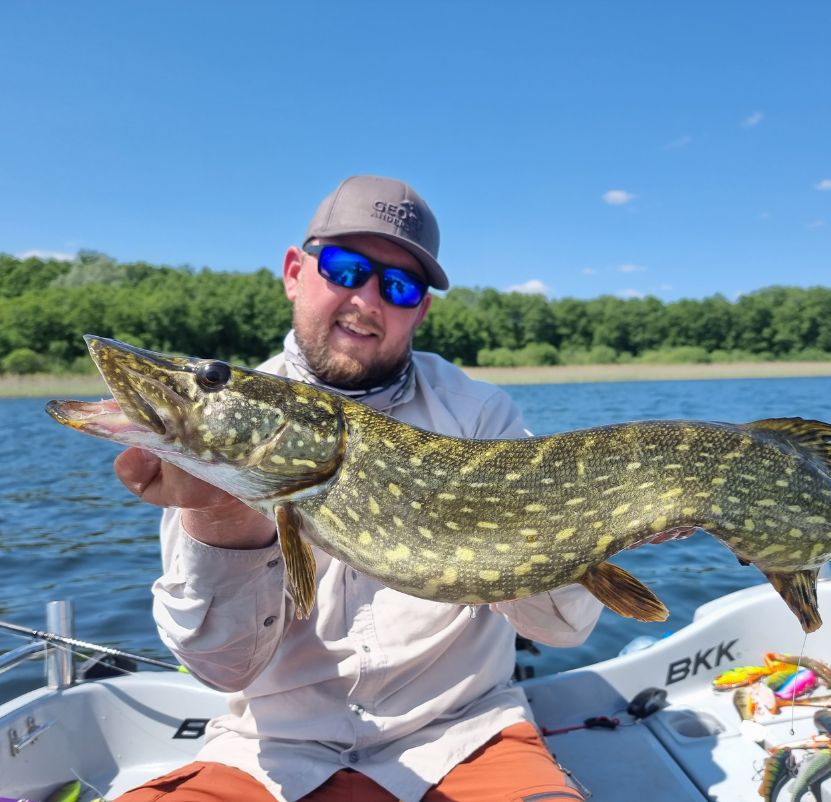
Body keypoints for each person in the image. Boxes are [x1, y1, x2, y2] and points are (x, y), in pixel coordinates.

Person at [112, 175, 603, 802]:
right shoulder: (228, 424)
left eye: (400, 286)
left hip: (464, 734)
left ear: (420, 308)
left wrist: (594, 530)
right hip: (272, 752)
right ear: (295, 271)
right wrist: (221, 524)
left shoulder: (481, 417)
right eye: (346, 268)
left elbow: (563, 630)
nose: (368, 300)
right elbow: (221, 669)